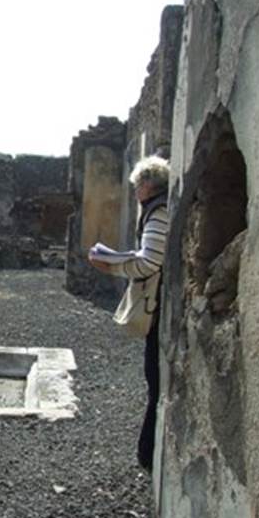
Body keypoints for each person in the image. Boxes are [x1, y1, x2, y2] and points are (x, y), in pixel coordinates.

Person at [88, 156, 170, 471]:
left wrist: (111, 267)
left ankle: (148, 456)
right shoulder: (157, 208)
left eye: (137, 185)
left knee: (155, 380)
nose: (135, 191)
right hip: (161, 306)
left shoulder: (158, 212)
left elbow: (150, 263)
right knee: (154, 380)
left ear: (148, 185)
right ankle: (148, 453)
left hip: (159, 307)